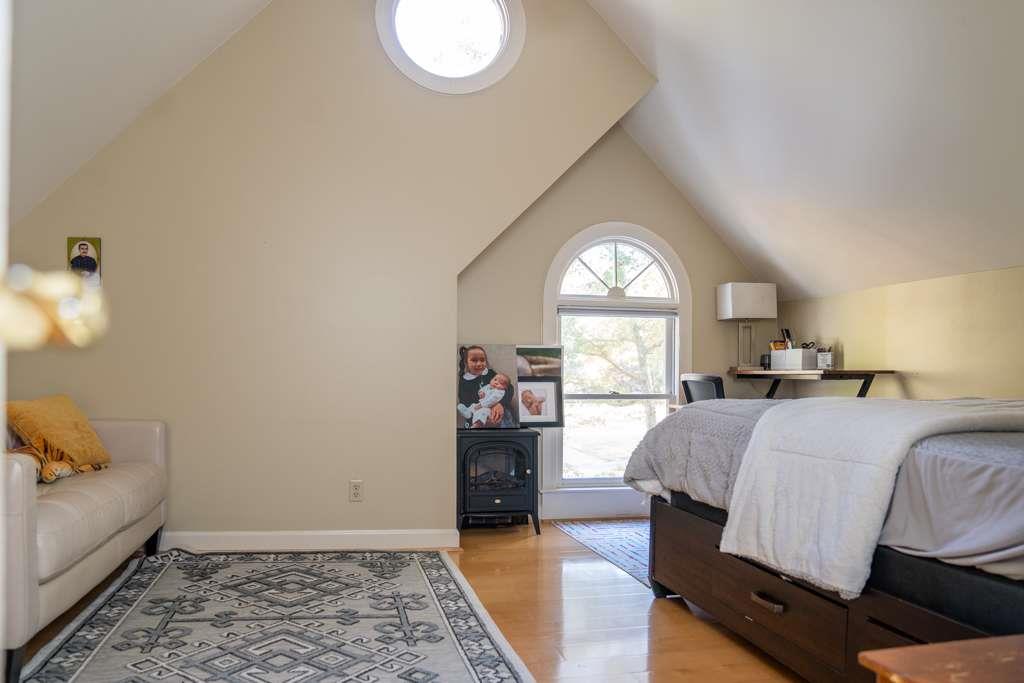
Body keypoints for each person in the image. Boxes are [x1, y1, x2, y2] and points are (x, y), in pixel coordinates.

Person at [457, 345, 516, 428]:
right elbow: (465, 402)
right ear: (466, 362)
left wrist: (500, 404)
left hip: (498, 411)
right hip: (478, 414)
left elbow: (509, 388)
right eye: (474, 360)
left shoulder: (490, 374)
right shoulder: (464, 381)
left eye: (482, 360)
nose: (479, 364)